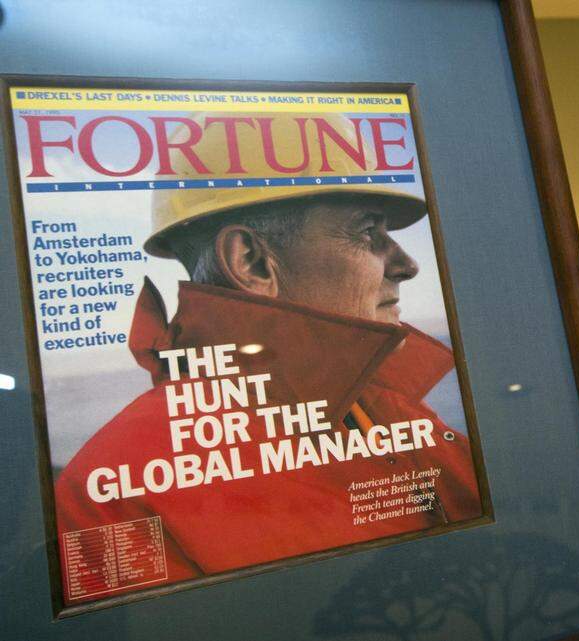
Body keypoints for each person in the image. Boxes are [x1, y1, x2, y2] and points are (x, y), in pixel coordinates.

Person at [53, 113, 482, 603]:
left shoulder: (387, 410)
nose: (406, 265)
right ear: (252, 262)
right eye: (368, 232)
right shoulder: (109, 496)